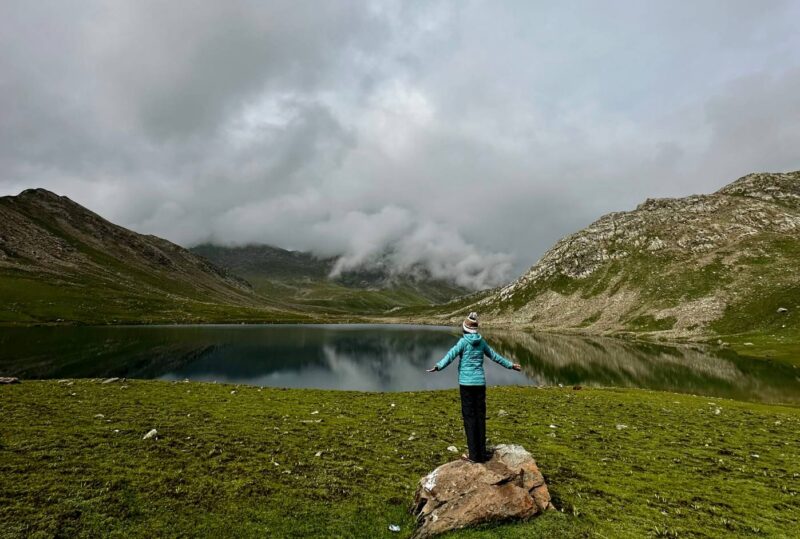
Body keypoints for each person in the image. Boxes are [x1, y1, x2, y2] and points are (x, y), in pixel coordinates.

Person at [426, 312, 521, 463]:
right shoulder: (482, 342)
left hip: (466, 384)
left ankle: (473, 456)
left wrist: (438, 366)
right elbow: (495, 356)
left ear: (464, 328)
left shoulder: (463, 342)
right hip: (480, 384)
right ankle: (481, 454)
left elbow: (451, 355)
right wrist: (511, 365)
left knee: (469, 418)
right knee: (480, 417)